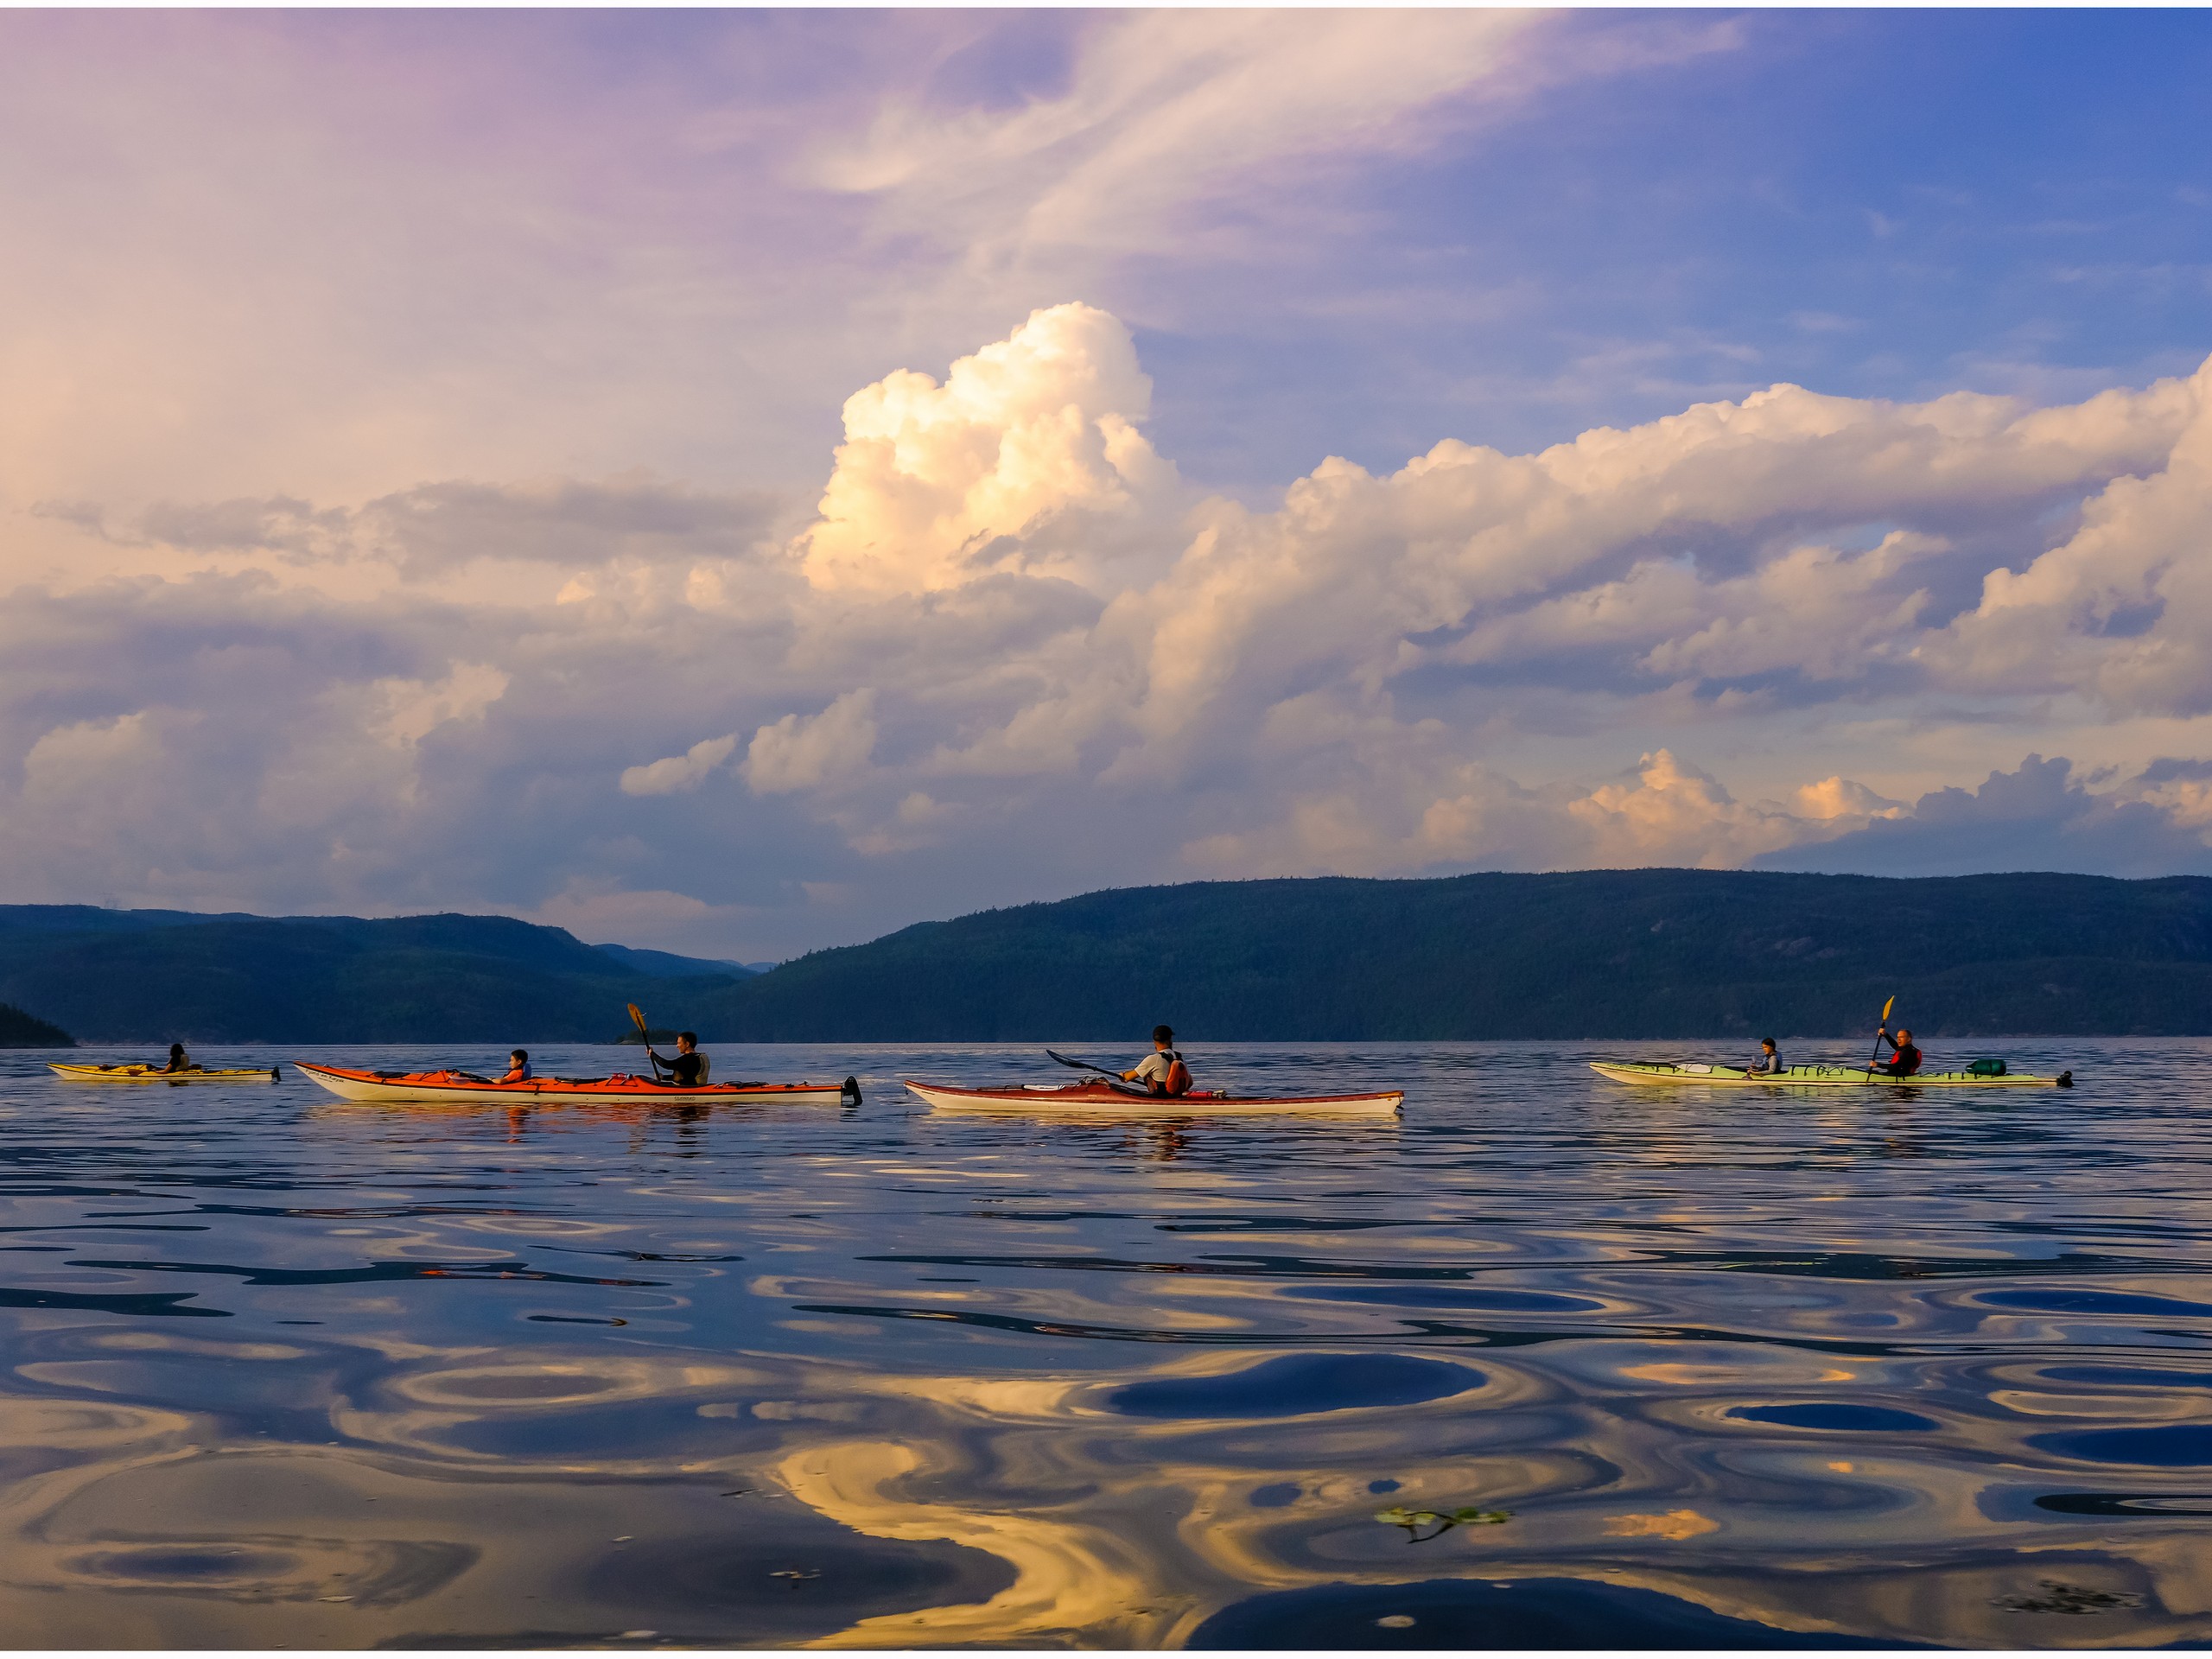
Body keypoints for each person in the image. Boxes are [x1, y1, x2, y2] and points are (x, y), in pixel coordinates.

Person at [1121, 1025, 1192, 1096]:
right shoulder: (1180, 1057)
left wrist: (1122, 1075)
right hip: (1178, 1095)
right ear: (1170, 1040)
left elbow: (1128, 1077)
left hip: (1161, 1097)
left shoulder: (1153, 1059)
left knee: (1147, 1074)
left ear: (1154, 1041)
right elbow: (1190, 1082)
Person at [646, 1030, 710, 1087]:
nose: (677, 1046)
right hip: (690, 1087)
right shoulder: (697, 1057)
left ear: (687, 1044)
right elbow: (682, 1077)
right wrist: (663, 1077)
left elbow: (666, 1064)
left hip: (687, 1090)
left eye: (679, 1043)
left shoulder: (688, 1059)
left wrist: (652, 1054)